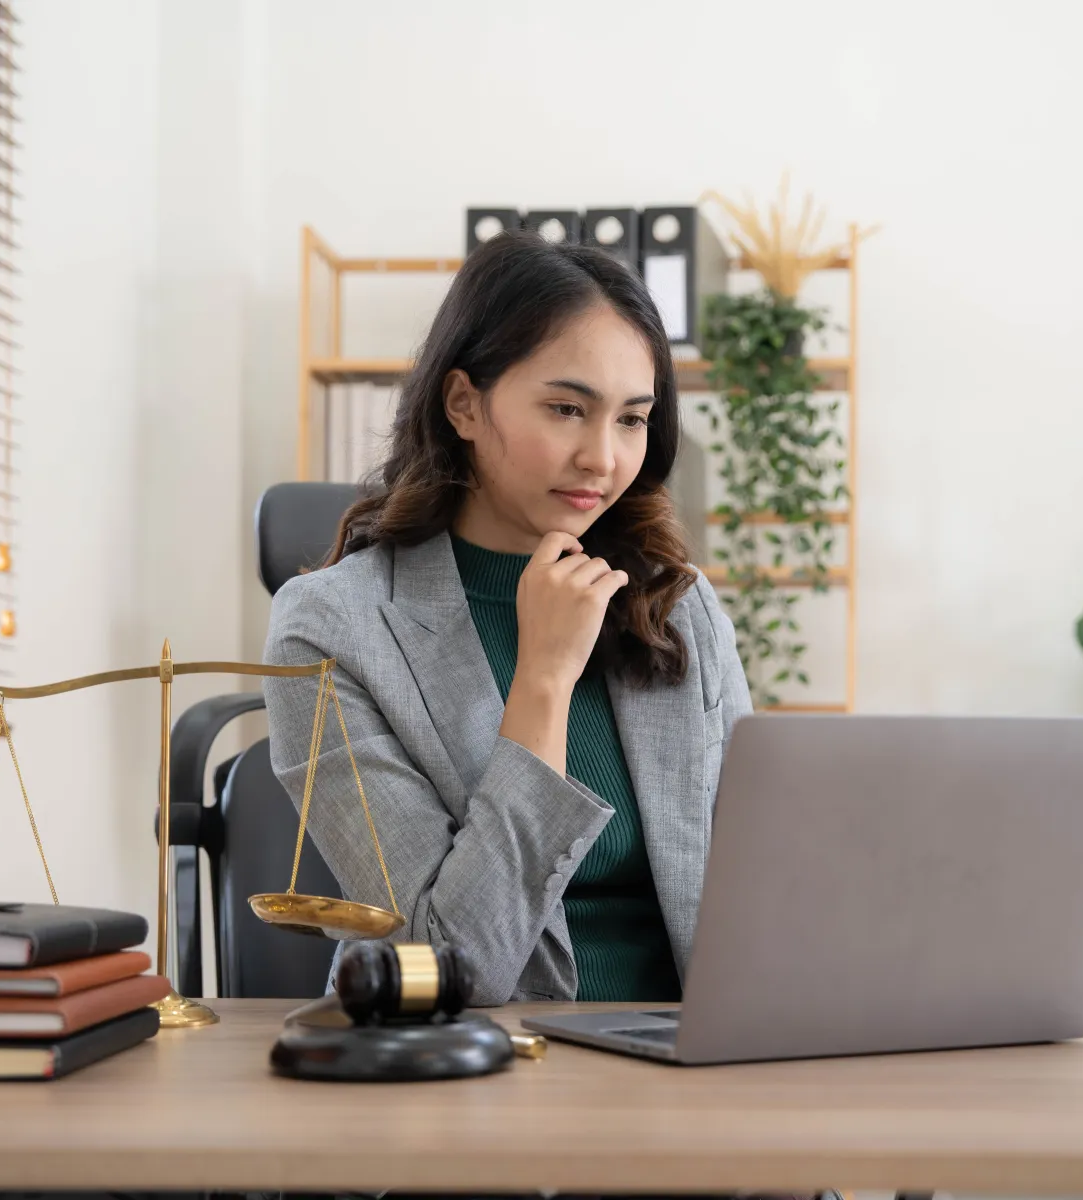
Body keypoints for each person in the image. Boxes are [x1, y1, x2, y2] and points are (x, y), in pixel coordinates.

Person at [263, 230, 751, 1006]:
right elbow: (451, 964)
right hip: (473, 1076)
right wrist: (545, 681)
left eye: (631, 419)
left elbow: (760, 898)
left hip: (690, 1070)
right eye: (566, 408)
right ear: (463, 403)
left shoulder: (678, 607)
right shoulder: (328, 630)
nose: (603, 457)